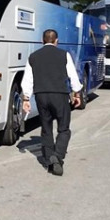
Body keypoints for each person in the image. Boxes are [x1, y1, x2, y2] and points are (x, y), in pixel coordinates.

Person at [20, 29, 83, 176]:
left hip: (41, 95)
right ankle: (57, 156)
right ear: (56, 41)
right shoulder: (64, 55)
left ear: (42, 41)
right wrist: (77, 94)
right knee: (64, 128)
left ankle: (49, 159)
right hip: (59, 95)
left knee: (46, 128)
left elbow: (27, 80)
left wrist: (26, 99)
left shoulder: (33, 57)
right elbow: (73, 76)